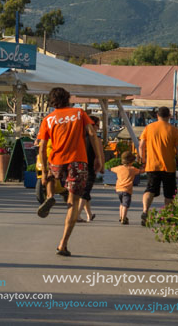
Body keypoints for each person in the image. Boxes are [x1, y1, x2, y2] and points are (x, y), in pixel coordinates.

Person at [36, 86, 104, 257]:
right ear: (68, 99)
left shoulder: (48, 119)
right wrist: (98, 158)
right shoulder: (79, 114)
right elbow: (92, 135)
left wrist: (44, 171)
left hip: (57, 160)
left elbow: (42, 147)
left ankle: (50, 196)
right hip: (77, 162)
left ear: (52, 102)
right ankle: (63, 243)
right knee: (73, 202)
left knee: (52, 176)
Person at [140, 106, 178, 226]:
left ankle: (145, 210)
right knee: (169, 193)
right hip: (169, 166)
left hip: (152, 165)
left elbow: (141, 145)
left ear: (157, 116)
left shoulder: (149, 128)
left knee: (150, 189)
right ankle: (168, 216)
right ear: (169, 116)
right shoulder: (174, 130)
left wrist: (143, 159)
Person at [77, 114, 100, 223]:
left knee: (86, 192)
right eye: (97, 125)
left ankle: (89, 215)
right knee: (85, 192)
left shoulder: (80, 137)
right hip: (90, 167)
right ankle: (77, 215)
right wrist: (101, 165)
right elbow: (99, 154)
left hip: (79, 166)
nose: (98, 128)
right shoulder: (94, 138)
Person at [110, 151, 142, 225]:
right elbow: (141, 171)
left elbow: (111, 169)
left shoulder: (119, 168)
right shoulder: (132, 169)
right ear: (131, 161)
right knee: (125, 205)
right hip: (127, 190)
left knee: (121, 204)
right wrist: (144, 168)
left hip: (118, 189)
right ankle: (124, 218)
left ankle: (121, 216)